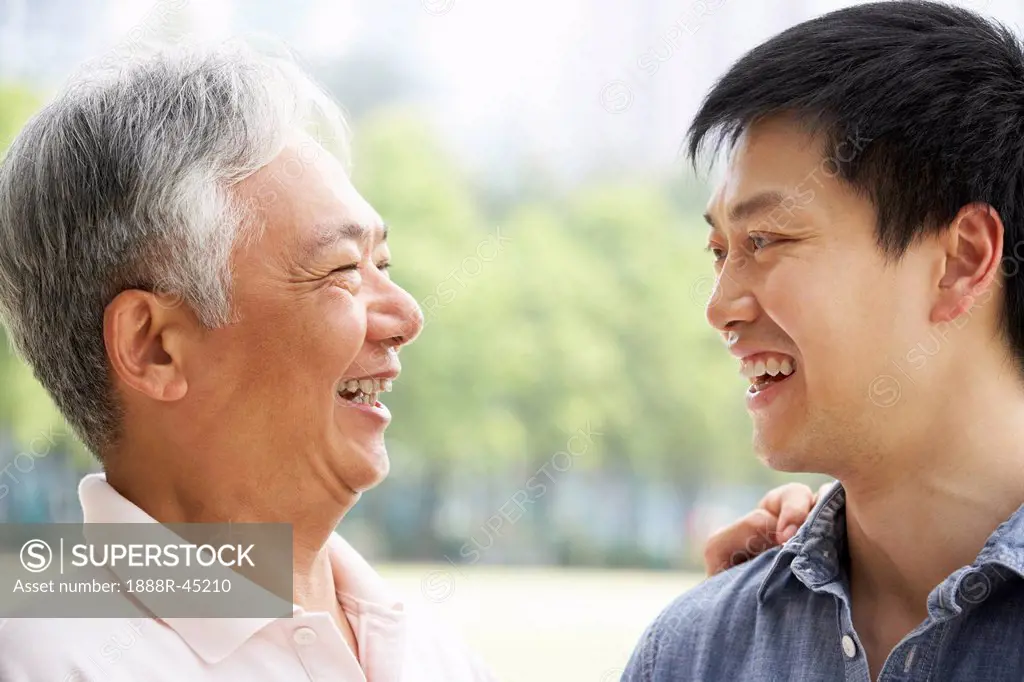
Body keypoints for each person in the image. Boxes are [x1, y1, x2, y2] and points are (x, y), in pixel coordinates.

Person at [0, 42, 493, 681]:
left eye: (384, 265)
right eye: (343, 271)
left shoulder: (432, 652)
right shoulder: (37, 655)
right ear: (154, 347)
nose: (407, 318)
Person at [623, 2, 1024, 680]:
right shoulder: (696, 653)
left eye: (767, 240)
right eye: (719, 250)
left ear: (962, 259)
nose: (720, 307)